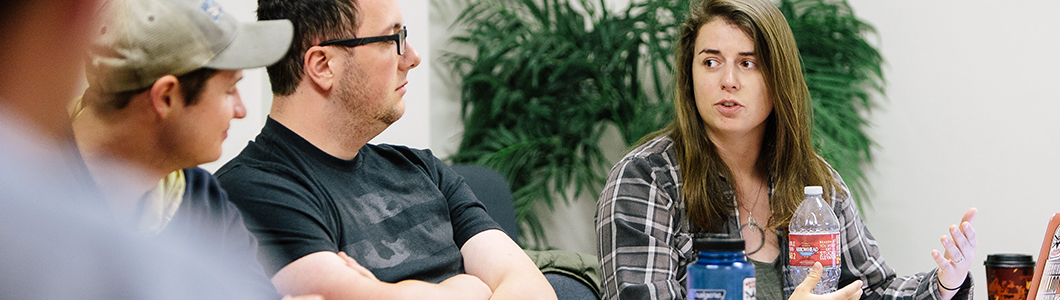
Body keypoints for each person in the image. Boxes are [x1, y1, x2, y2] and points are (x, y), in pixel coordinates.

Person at [594, 0, 978, 300]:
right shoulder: (645, 180)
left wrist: (945, 283)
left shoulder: (817, 182)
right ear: (688, 75)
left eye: (748, 63)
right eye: (711, 62)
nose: (728, 81)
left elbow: (871, 290)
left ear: (779, 78)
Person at [213, 0, 557, 299]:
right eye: (393, 38)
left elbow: (533, 288)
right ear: (322, 65)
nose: (413, 57)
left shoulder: (423, 169)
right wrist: (469, 288)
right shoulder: (253, 191)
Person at [0, 0, 299, 299]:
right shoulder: (30, 195)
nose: (241, 110)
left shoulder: (202, 200)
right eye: (229, 90)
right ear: (166, 97)